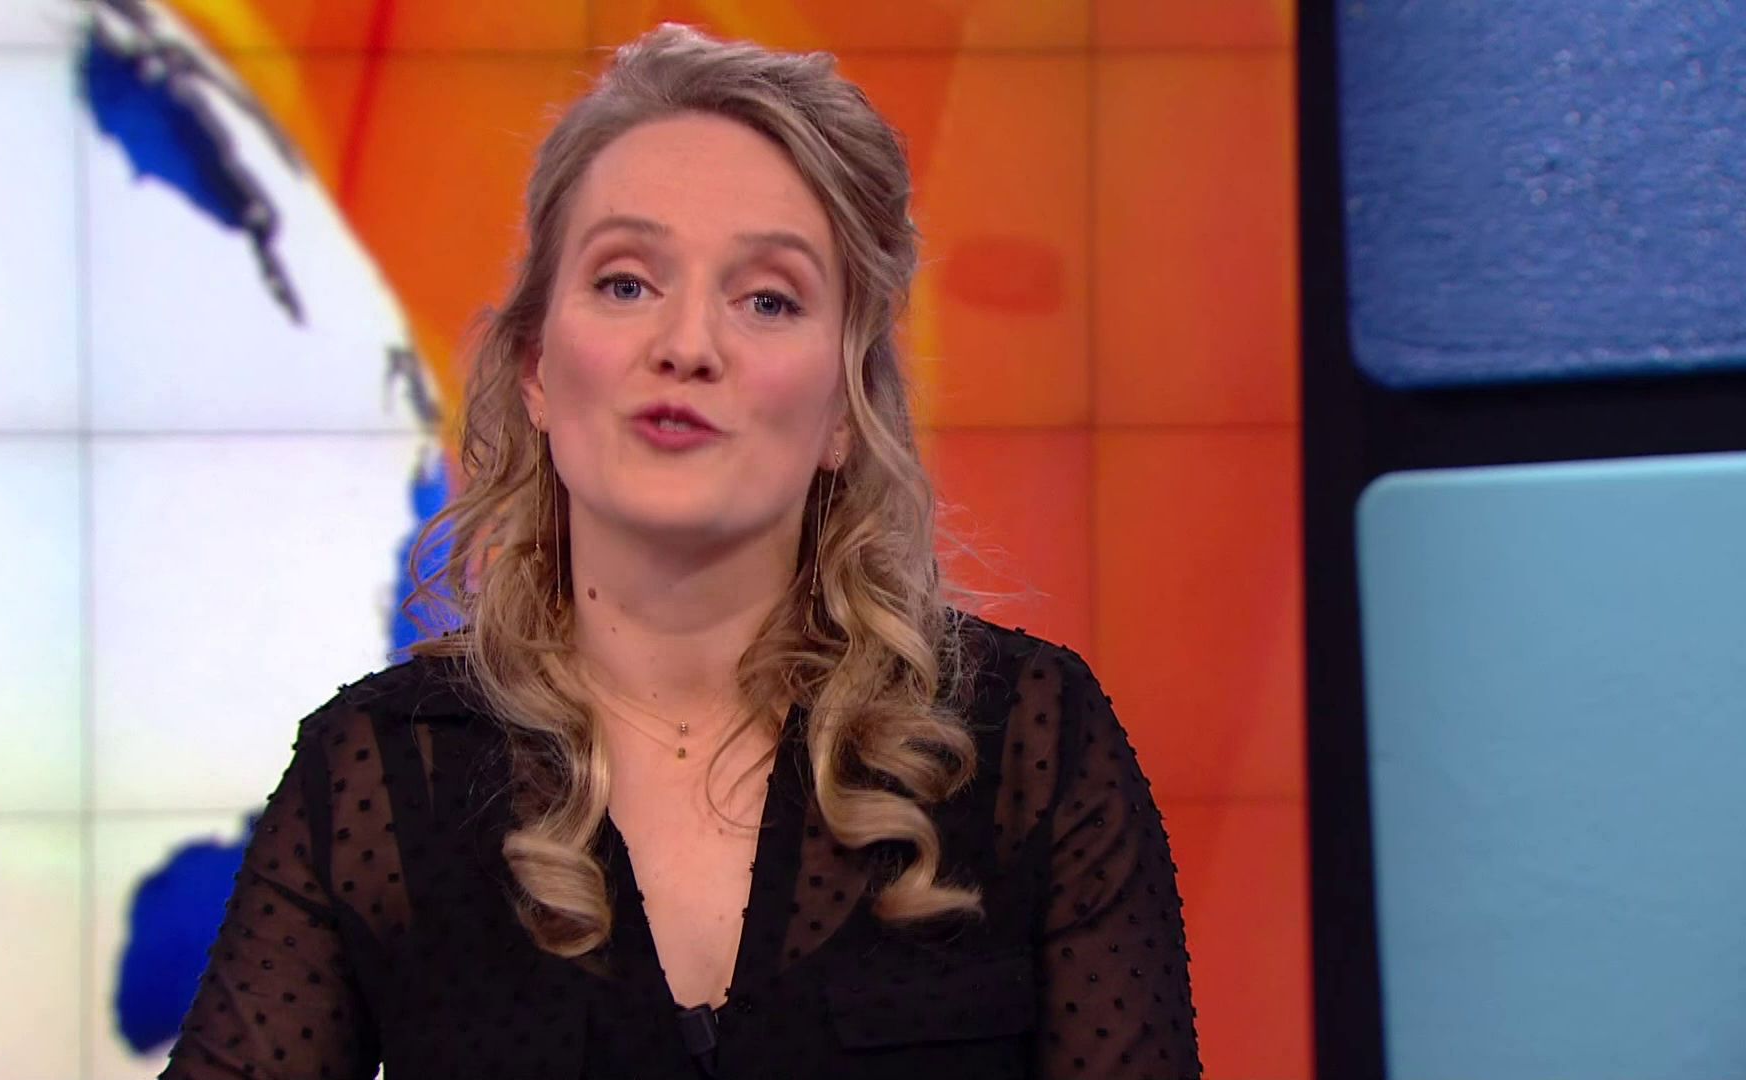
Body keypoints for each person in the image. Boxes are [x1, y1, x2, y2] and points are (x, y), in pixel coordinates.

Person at [162, 23, 1199, 1080]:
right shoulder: (381, 776)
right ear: (535, 366)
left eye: (768, 299)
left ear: (847, 409)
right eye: (626, 283)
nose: (688, 345)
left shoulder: (1026, 747)